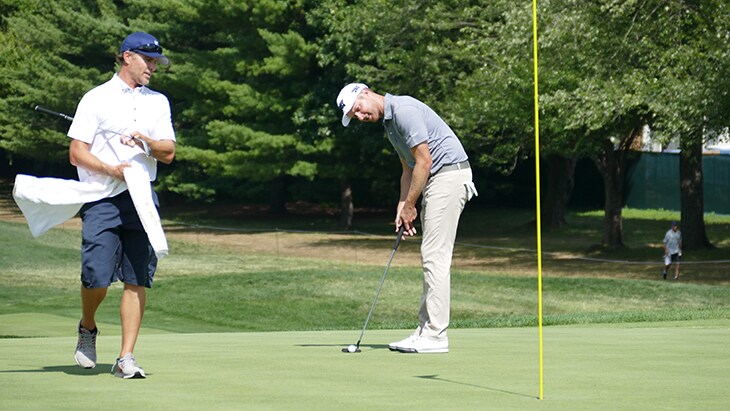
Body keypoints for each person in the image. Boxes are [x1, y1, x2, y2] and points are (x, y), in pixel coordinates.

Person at [336, 83, 477, 354]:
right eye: (355, 116)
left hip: (449, 175)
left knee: (434, 255)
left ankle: (435, 335)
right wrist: (402, 206)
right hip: (437, 178)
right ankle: (425, 331)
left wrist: (411, 204)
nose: (361, 116)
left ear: (366, 93)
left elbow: (425, 161)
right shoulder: (390, 125)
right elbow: (408, 168)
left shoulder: (404, 111)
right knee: (430, 254)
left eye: (359, 109)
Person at [69, 31, 176, 378]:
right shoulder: (95, 98)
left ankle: (126, 357)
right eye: (148, 60)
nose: (153, 67)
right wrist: (110, 169)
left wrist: (146, 142)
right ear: (127, 57)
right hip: (101, 198)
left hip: (141, 198)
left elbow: (168, 152)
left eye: (156, 62)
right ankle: (88, 327)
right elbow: (76, 152)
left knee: (136, 278)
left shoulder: (158, 102)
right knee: (95, 277)